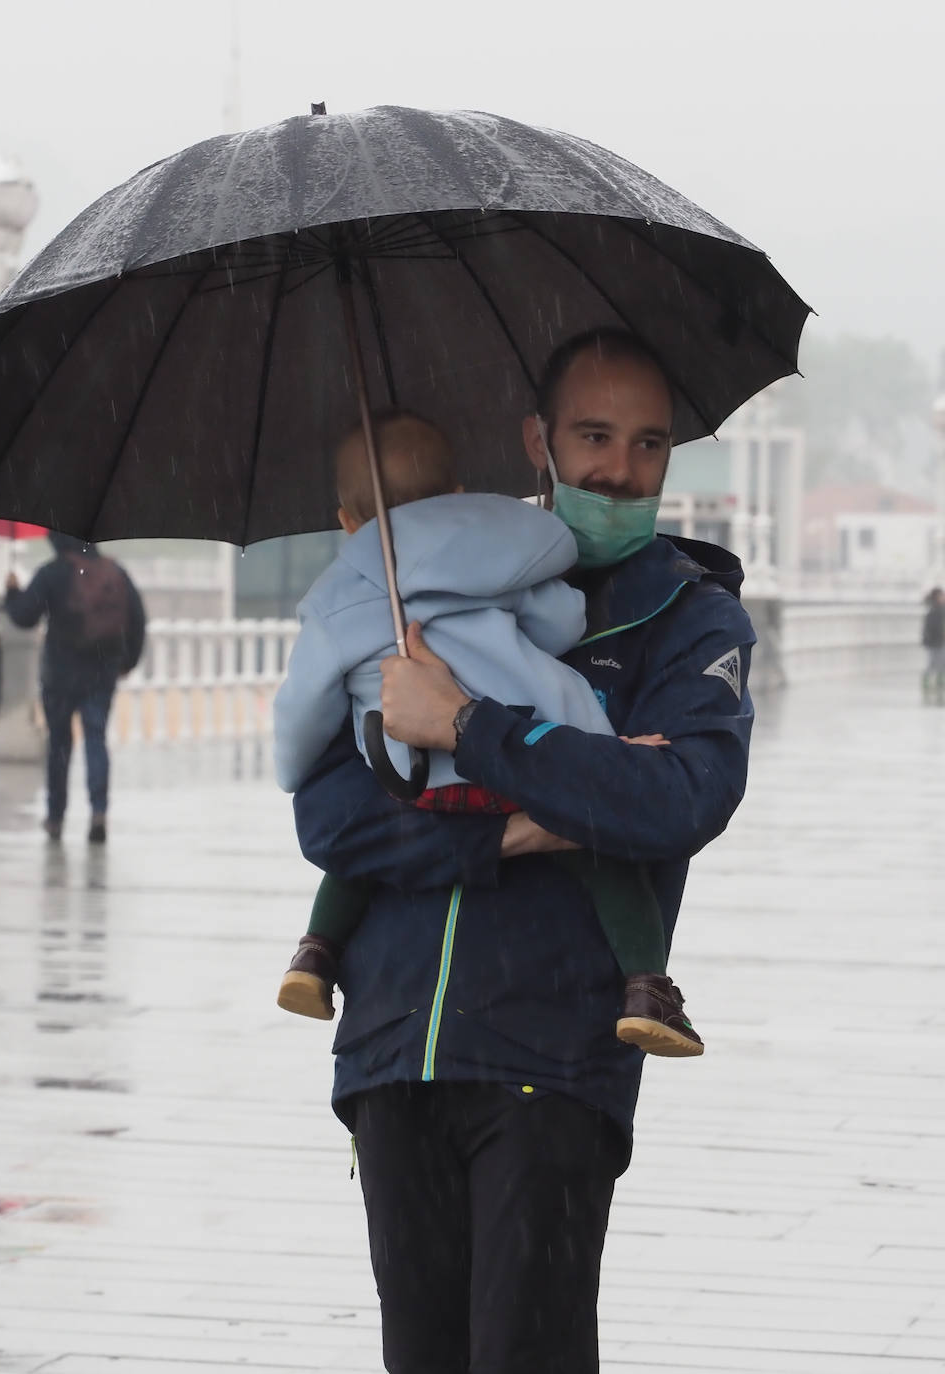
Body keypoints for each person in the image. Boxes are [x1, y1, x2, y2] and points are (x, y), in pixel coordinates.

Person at [292, 328, 757, 1374]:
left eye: (648, 445)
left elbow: (682, 795)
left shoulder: (690, 619)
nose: (618, 470)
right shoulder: (427, 591)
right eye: (593, 435)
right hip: (394, 1054)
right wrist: (520, 827)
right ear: (538, 439)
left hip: (555, 1058)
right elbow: (329, 817)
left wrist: (471, 730)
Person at [273, 410, 701, 1059]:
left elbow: (302, 708)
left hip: (418, 781)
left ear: (346, 522)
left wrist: (290, 765)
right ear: (457, 497)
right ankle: (648, 988)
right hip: (518, 758)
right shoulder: (493, 560)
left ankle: (314, 955)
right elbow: (562, 624)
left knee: (358, 855)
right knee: (594, 850)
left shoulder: (336, 599)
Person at [5, 532, 145, 843]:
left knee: (59, 744)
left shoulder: (52, 572)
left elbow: (24, 617)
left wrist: (12, 593)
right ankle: (99, 811)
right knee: (96, 739)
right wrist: (127, 661)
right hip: (102, 670)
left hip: (60, 674)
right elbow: (137, 619)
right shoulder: (114, 571)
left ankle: (55, 817)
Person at [921, 586, 945, 704]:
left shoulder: (941, 609)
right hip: (934, 642)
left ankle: (939, 682)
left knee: (941, 662)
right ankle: (928, 683)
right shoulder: (934, 610)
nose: (944, 598)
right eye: (942, 596)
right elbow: (932, 628)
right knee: (933, 663)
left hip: (939, 641)